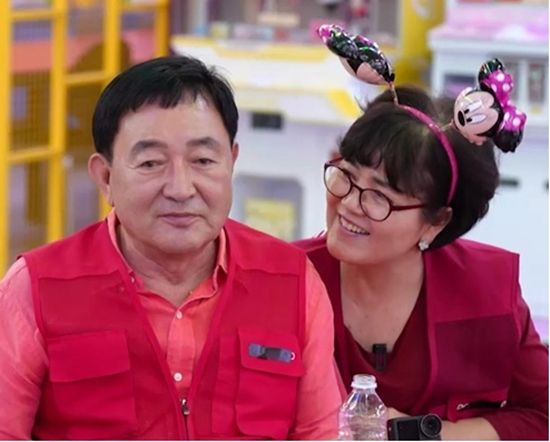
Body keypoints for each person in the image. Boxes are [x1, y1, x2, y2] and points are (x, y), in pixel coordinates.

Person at [0, 56, 343, 440]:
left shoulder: (293, 282)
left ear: (231, 162)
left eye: (203, 160)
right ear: (106, 178)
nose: (180, 188)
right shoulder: (35, 289)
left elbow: (323, 431)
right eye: (151, 163)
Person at [296, 25, 548, 441]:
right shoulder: (287, 277)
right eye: (346, 175)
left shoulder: (487, 289)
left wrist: (424, 435)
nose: (349, 203)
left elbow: (541, 416)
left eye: (380, 196)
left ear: (437, 221)